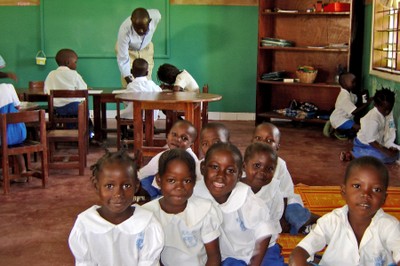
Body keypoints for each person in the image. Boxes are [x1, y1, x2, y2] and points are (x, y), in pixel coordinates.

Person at [289, 156, 400, 266]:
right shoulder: (331, 221)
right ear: (344, 191)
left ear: (384, 198)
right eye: (357, 186)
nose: (366, 194)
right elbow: (300, 252)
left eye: (376, 189)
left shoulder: (390, 226)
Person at [68, 149, 164, 265]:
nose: (118, 194)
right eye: (109, 186)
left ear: (137, 186)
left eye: (126, 185)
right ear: (96, 185)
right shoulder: (85, 224)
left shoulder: (147, 224)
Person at [194, 142, 278, 266]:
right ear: (203, 168)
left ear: (239, 175)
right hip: (221, 255)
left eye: (230, 170)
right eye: (215, 167)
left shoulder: (245, 198)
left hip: (256, 251)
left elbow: (264, 233)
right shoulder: (195, 194)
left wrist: (254, 264)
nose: (220, 176)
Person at [142, 149, 222, 265]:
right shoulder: (148, 214)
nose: (179, 187)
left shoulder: (204, 211)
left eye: (187, 181)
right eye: (171, 180)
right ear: (159, 180)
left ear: (194, 181)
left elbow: (214, 257)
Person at [252, 122, 319, 235]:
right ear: (251, 141)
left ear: (277, 146)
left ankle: (319, 222)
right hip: (261, 206)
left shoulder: (280, 165)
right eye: (258, 138)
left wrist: (282, 218)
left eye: (269, 140)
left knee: (293, 213)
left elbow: (285, 194)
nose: (263, 143)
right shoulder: (244, 163)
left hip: (284, 204)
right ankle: (303, 227)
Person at [241, 142, 286, 266]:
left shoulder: (274, 191)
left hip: (266, 245)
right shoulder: (234, 188)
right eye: (257, 165)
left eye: (269, 168)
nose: (262, 172)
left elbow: (275, 218)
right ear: (244, 166)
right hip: (237, 244)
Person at [139, 119, 199, 199]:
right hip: (160, 186)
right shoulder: (164, 154)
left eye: (184, 138)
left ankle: (158, 198)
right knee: (144, 180)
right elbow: (147, 170)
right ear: (168, 136)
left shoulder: (191, 159)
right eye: (174, 134)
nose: (178, 139)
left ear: (191, 144)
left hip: (178, 190)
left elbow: (196, 181)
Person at [44, 48, 93, 137]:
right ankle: (87, 134)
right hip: (74, 107)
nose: (76, 65)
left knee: (70, 112)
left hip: (57, 109)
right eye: (75, 62)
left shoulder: (51, 74)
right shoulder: (74, 74)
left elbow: (46, 91)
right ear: (67, 62)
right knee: (83, 108)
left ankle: (69, 132)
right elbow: (83, 89)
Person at [349, 87, 399, 164]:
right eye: (385, 109)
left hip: (374, 144)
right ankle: (356, 154)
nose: (387, 111)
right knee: (386, 157)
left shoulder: (384, 113)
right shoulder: (373, 119)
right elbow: (371, 141)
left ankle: (361, 153)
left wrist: (388, 148)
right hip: (364, 144)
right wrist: (387, 152)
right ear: (376, 105)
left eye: (390, 108)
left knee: (393, 154)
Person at [116, 8, 161, 86]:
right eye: (137, 28)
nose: (141, 31)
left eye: (143, 28)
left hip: (146, 47)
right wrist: (130, 83)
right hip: (128, 49)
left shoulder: (156, 16)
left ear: (149, 21)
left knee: (146, 78)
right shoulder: (124, 31)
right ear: (132, 22)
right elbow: (123, 59)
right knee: (128, 81)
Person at [324, 72, 372, 140]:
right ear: (344, 83)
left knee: (354, 131)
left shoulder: (350, 93)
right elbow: (354, 111)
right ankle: (337, 130)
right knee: (358, 128)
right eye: (353, 82)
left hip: (346, 118)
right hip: (339, 120)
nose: (355, 84)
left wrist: (363, 96)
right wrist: (367, 103)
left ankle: (339, 129)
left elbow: (357, 100)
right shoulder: (344, 97)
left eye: (355, 81)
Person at [0, 82, 28, 182]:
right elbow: (18, 106)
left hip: (2, 137)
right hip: (17, 134)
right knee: (16, 146)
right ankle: (23, 171)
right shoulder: (9, 87)